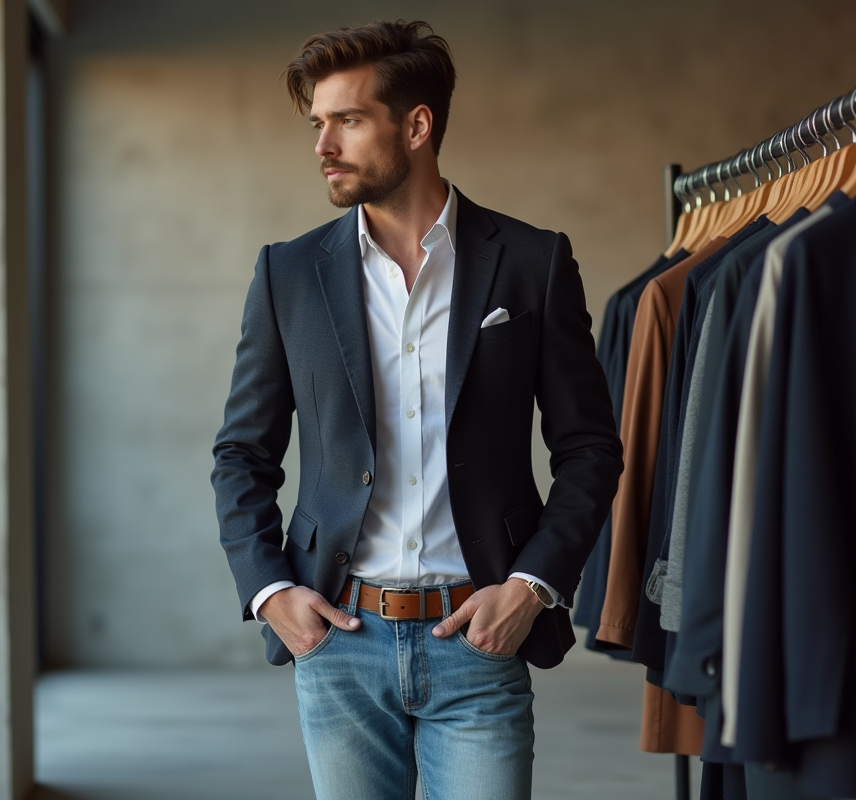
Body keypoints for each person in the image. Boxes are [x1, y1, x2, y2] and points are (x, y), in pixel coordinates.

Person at [211, 19, 623, 800]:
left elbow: (589, 449)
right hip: (339, 640)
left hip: (478, 635)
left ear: (417, 125)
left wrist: (530, 586)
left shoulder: (531, 264)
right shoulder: (289, 274)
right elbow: (242, 454)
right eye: (316, 124)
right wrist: (273, 593)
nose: (322, 144)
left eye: (348, 120)